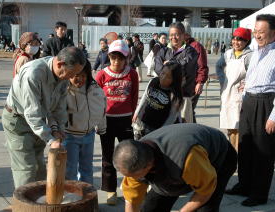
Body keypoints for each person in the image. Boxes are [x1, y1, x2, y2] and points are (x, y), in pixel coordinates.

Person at [2, 47, 86, 189]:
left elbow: (58, 108)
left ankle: (40, 203)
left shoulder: (63, 76)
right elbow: (32, 114)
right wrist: (51, 139)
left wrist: (58, 128)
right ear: (60, 64)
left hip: (39, 120)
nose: (72, 78)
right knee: (26, 170)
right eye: (71, 74)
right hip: (18, 121)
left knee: (40, 167)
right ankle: (25, 206)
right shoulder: (33, 74)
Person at [113, 123, 237, 212]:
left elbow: (205, 191)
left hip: (220, 157)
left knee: (205, 209)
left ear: (148, 166)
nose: (132, 179)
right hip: (175, 164)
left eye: (136, 176)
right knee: (151, 207)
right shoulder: (135, 156)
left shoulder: (187, 158)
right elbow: (131, 199)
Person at [226, 14, 275, 207]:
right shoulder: (255, 50)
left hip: (266, 104)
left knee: (263, 152)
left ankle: (259, 193)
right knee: (245, 147)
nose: (257, 35)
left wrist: (273, 117)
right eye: (255, 31)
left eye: (261, 32)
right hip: (249, 103)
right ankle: (244, 184)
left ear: (273, 32)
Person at [95, 40, 139, 205]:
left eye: (120, 58)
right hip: (106, 121)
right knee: (108, 156)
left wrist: (133, 114)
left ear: (126, 58)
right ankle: (110, 190)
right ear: (109, 57)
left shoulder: (132, 73)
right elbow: (95, 98)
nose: (116, 62)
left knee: (130, 155)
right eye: (113, 58)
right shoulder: (102, 75)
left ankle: (130, 186)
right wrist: (97, 118)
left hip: (125, 120)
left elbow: (134, 95)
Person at [63, 59, 106, 184]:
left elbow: (102, 109)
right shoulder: (63, 90)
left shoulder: (95, 89)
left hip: (89, 134)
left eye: (83, 76)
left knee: (87, 168)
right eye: (76, 76)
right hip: (69, 136)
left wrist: (102, 127)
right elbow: (54, 112)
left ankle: (87, 196)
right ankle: (71, 197)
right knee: (69, 170)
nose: (80, 79)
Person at [217, 27, 252, 152]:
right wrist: (223, 81)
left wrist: (246, 85)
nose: (236, 42)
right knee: (229, 127)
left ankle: (237, 155)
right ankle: (233, 154)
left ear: (247, 41)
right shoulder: (228, 54)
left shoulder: (249, 56)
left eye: (240, 40)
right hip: (227, 95)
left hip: (240, 97)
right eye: (234, 39)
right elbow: (218, 66)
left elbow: (253, 74)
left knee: (238, 127)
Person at [155, 22, 198, 123]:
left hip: (183, 96)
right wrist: (171, 67)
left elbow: (185, 66)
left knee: (183, 128)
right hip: (165, 96)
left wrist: (169, 65)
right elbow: (158, 69)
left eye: (177, 34)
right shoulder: (163, 51)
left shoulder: (191, 52)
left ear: (184, 35)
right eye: (171, 35)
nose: (174, 37)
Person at [132, 62, 183, 139]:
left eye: (168, 77)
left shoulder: (175, 95)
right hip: (144, 122)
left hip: (158, 128)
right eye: (162, 73)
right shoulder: (153, 81)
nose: (163, 78)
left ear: (175, 80)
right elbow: (145, 97)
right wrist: (137, 113)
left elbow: (172, 117)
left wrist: (162, 131)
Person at [184, 22, 209, 123]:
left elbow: (202, 66)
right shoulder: (181, 46)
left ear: (187, 34)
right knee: (185, 111)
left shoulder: (196, 46)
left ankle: (193, 133)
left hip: (193, 84)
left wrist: (200, 82)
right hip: (183, 85)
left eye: (180, 33)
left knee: (189, 111)